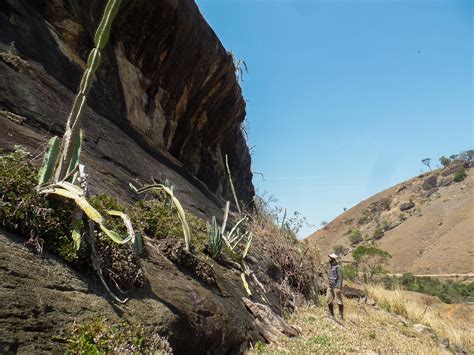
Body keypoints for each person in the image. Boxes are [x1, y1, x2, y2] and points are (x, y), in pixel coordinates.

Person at [326, 253, 344, 320]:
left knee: (339, 301)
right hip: (330, 286)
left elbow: (340, 277)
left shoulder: (338, 267)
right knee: (328, 300)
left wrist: (339, 287)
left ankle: (340, 316)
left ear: (333, 259)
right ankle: (331, 315)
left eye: (330, 258)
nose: (329, 259)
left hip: (336, 287)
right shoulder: (330, 266)